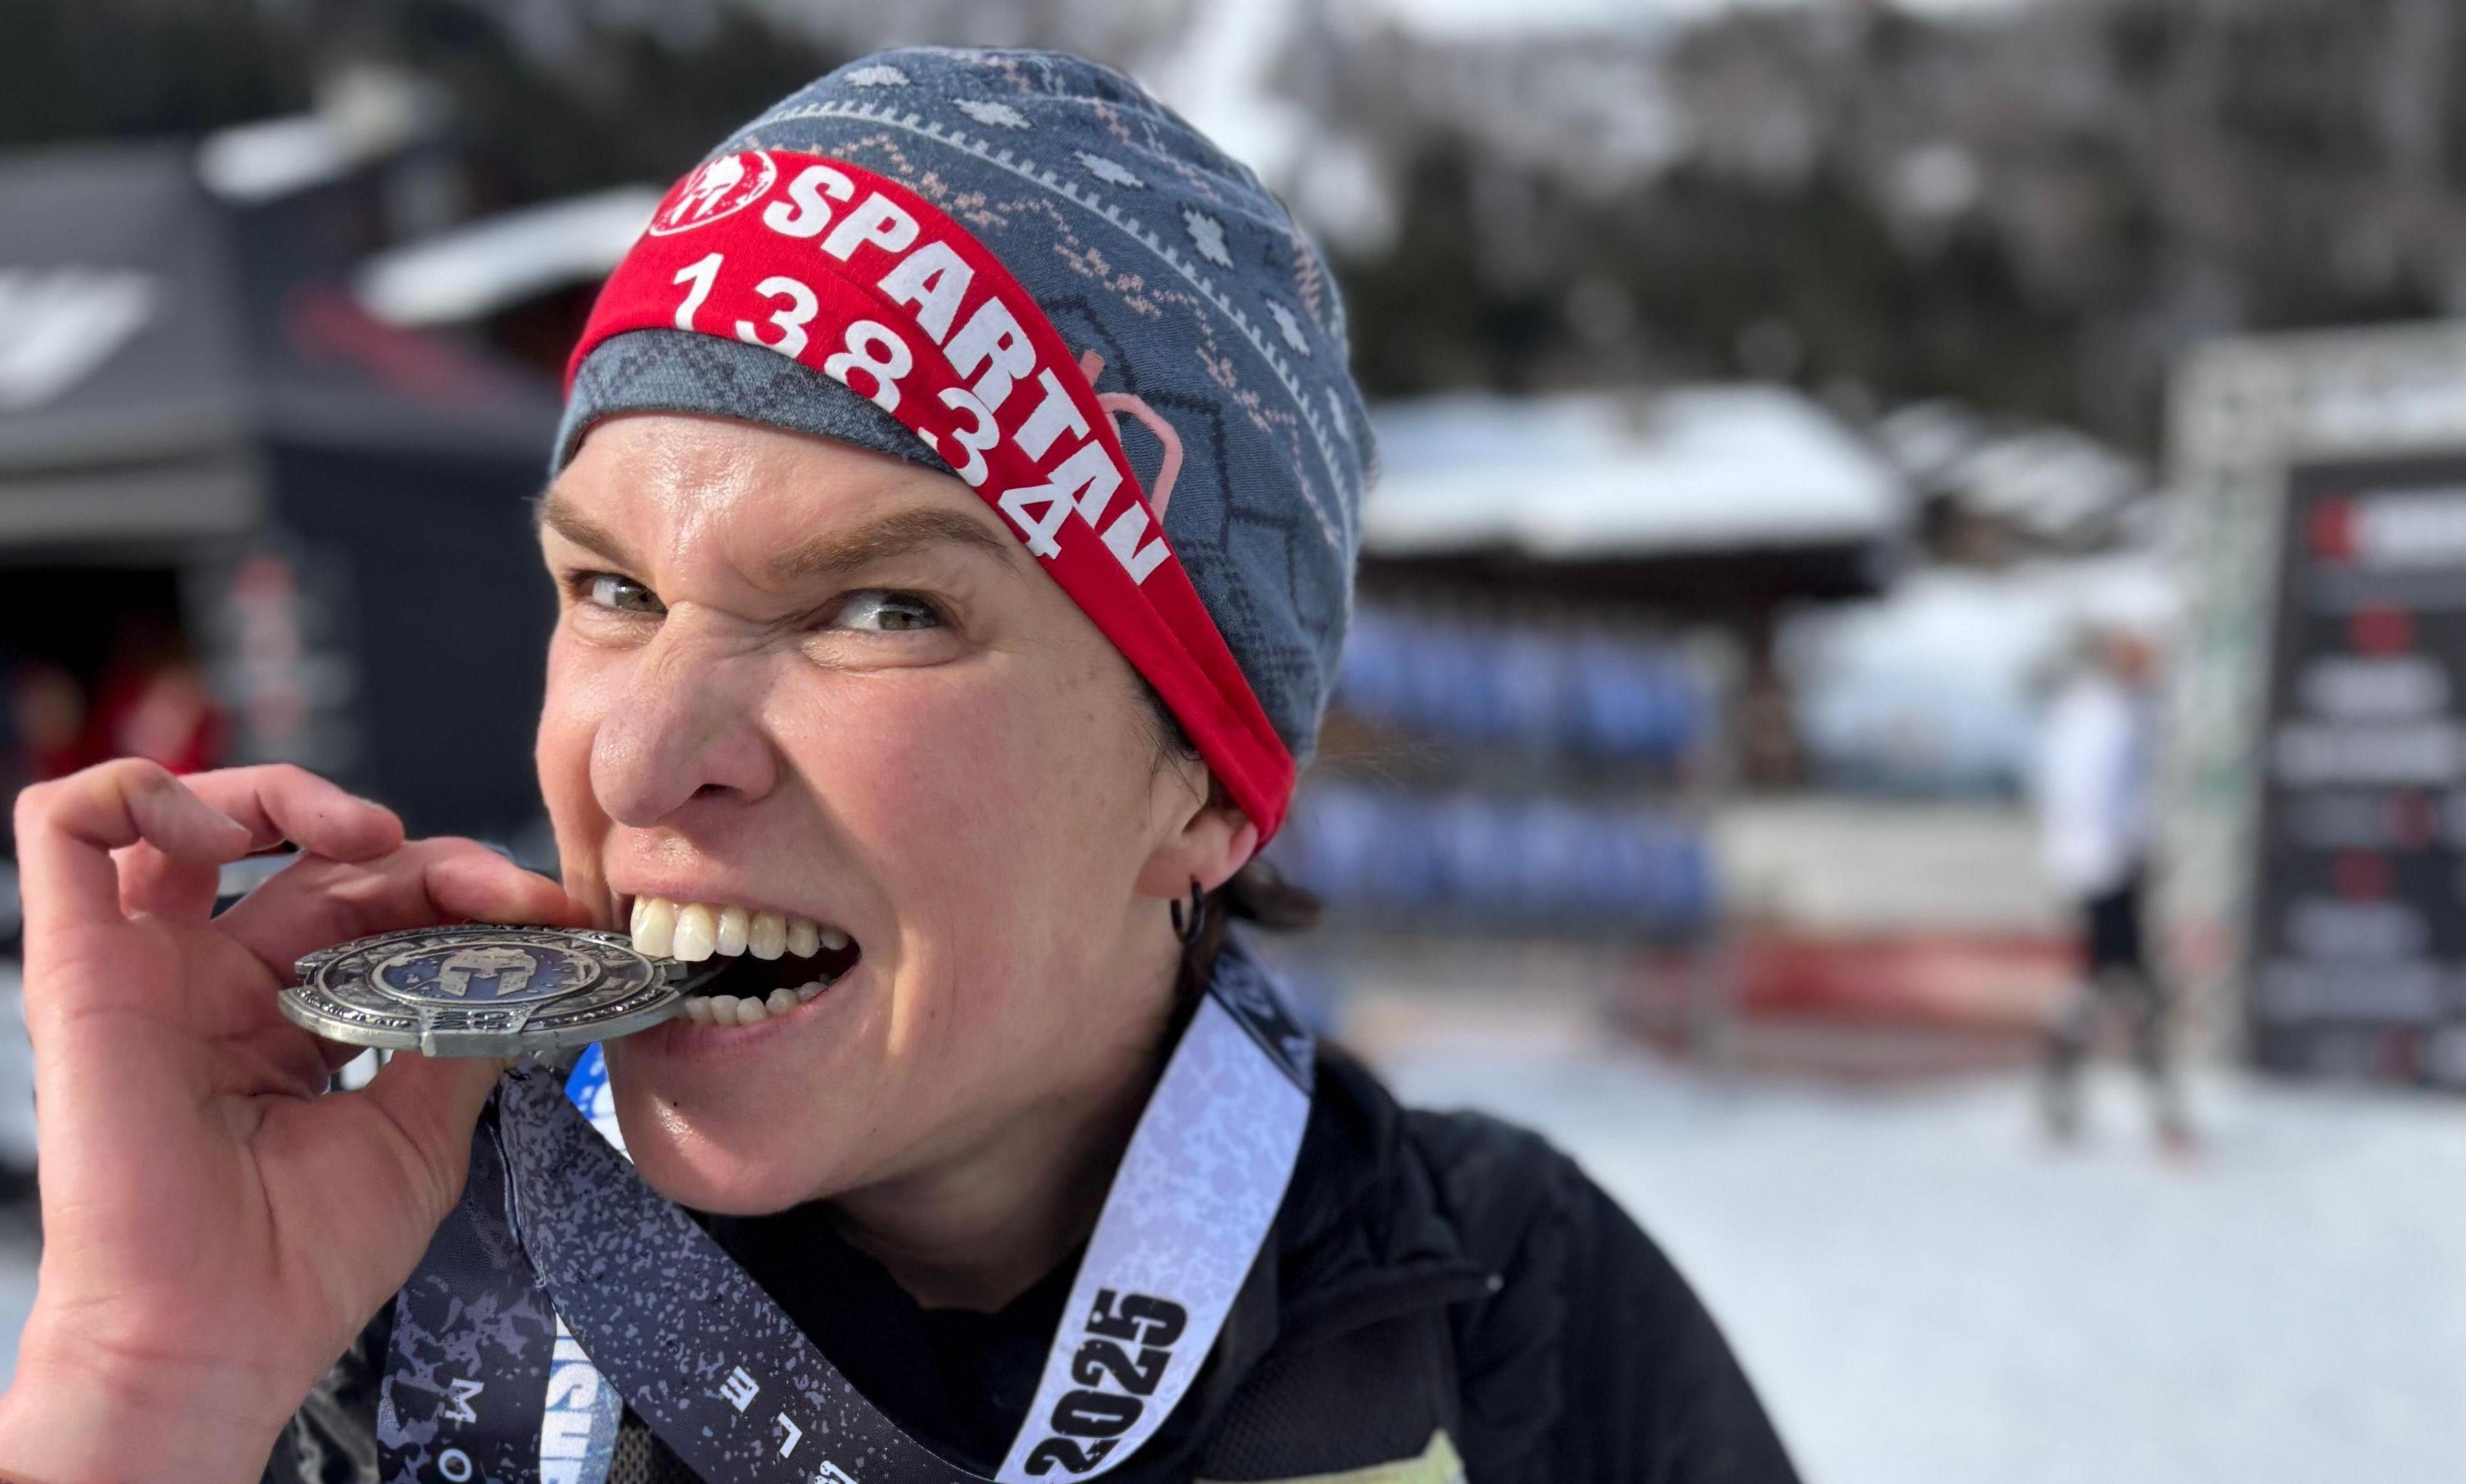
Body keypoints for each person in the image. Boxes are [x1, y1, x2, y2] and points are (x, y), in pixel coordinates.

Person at [0, 51, 1797, 1484]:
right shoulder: (379, 1301)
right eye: (610, 589)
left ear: (1208, 788)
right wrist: (140, 1385)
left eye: (877, 607)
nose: (639, 756)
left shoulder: (1510, 1318)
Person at [2032, 621, 2191, 1151]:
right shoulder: (2099, 714)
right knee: (2125, 985)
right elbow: (2083, 794)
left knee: (2108, 984)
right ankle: (2157, 1109)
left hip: (2113, 867)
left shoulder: (2118, 710)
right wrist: (2112, 855)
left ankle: (2065, 1096)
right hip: (2106, 871)